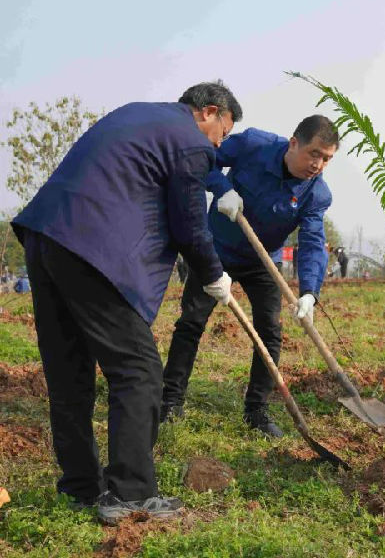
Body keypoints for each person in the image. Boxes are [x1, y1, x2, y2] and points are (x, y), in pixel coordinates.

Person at [12, 82, 240, 524]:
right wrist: (214, 276)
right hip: (90, 248)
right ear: (209, 112)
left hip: (45, 237)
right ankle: (132, 494)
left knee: (69, 373)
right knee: (138, 371)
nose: (219, 144)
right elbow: (190, 224)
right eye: (223, 132)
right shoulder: (191, 140)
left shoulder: (141, 114)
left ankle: (79, 487)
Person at [161, 115, 337, 437]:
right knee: (192, 321)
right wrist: (222, 187)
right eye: (314, 153)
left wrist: (310, 291)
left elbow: (312, 241)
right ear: (293, 142)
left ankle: (256, 410)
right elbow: (206, 161)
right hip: (216, 250)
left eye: (327, 158)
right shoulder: (254, 144)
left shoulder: (317, 194)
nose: (318, 164)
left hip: (261, 260)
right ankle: (170, 401)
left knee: (270, 332)